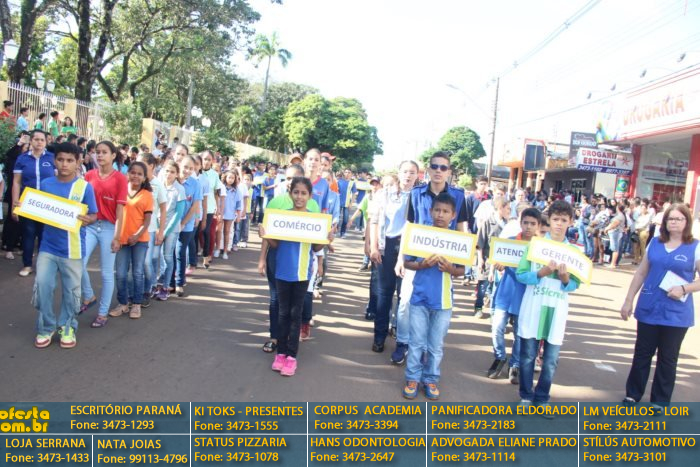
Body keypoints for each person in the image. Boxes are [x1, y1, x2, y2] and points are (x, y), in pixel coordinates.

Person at [620, 203, 698, 408]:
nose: (674, 222)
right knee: (642, 353)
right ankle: (632, 394)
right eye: (670, 219)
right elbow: (641, 273)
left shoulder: (695, 247)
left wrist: (684, 288)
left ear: (687, 222)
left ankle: (660, 401)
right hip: (649, 307)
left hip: (676, 313)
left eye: (679, 219)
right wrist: (628, 300)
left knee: (668, 358)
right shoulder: (655, 243)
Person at [393, 152, 467, 364]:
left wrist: (461, 261)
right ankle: (402, 342)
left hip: (443, 260)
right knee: (406, 302)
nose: (438, 171)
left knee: (436, 306)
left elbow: (462, 229)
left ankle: (424, 348)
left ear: (449, 171)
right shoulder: (416, 194)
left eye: (443, 167)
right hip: (417, 257)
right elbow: (408, 227)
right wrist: (401, 258)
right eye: (435, 166)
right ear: (428, 169)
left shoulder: (458, 196)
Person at [260, 177, 329, 377]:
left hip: (302, 273)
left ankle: (291, 356)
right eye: (296, 192)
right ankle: (281, 353)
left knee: (295, 314)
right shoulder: (282, 216)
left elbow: (316, 247)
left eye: (303, 193)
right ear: (290, 194)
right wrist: (266, 235)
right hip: (282, 270)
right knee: (283, 313)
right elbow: (275, 244)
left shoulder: (314, 219)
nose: (299, 196)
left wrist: (326, 240)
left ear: (310, 196)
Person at [516, 200, 580, 414]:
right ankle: (526, 395)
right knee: (527, 355)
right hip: (534, 305)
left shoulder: (574, 252)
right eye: (555, 219)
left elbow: (575, 284)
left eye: (563, 220)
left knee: (551, 360)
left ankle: (542, 397)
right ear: (549, 221)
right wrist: (540, 273)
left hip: (556, 309)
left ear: (570, 222)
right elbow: (521, 275)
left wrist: (565, 279)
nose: (559, 224)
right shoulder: (535, 245)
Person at [32, 143, 98, 349]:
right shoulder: (46, 184)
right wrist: (24, 207)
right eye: (60, 159)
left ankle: (67, 327)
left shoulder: (84, 187)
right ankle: (46, 326)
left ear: (78, 162)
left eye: (70, 160)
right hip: (48, 246)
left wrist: (88, 219)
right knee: (43, 286)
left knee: (71, 292)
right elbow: (37, 209)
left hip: (73, 248)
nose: (64, 164)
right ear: (54, 160)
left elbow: (94, 215)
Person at [401, 193, 465, 400]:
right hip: (419, 298)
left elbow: (462, 270)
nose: (440, 215)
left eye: (445, 211)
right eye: (437, 210)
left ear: (453, 215)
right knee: (416, 342)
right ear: (430, 211)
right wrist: (422, 265)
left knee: (435, 346)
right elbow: (407, 262)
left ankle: (430, 379)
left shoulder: (458, 240)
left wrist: (450, 269)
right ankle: (412, 378)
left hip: (443, 302)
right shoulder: (420, 235)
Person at [257, 164, 320, 354]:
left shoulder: (313, 206)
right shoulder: (275, 203)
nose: (292, 182)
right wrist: (262, 259)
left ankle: (290, 344)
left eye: (296, 177)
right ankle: (275, 337)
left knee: (294, 306)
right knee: (275, 299)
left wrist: (321, 257)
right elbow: (268, 235)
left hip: (300, 262)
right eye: (289, 178)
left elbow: (317, 241)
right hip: (277, 257)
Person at [369, 160, 419, 353]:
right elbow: (374, 221)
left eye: (412, 172)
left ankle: (401, 335)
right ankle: (379, 336)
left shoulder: (419, 195)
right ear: (399, 173)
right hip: (387, 245)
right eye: (405, 171)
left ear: (417, 175)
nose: (408, 175)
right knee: (384, 292)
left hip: (410, 248)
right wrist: (374, 246)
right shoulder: (384, 194)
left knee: (405, 296)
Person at [488, 207, 541, 383]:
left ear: (538, 225)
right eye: (525, 223)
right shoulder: (510, 242)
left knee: (519, 333)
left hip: (526, 295)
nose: (528, 227)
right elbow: (495, 259)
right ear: (520, 223)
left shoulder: (540, 248)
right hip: (506, 291)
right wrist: (498, 265)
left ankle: (515, 364)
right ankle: (500, 356)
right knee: (497, 327)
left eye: (532, 223)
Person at [80, 141, 127, 327]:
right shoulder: (89, 175)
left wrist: (117, 236)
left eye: (104, 152)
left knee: (107, 273)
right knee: (78, 263)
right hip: (89, 226)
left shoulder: (120, 179)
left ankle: (102, 313)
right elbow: (81, 201)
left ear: (113, 155)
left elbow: (120, 211)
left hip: (109, 227)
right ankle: (89, 295)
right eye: (97, 152)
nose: (100, 155)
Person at [109, 162, 153, 320]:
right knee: (121, 273)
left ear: (144, 178)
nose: (135, 176)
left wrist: (136, 235)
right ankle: (123, 303)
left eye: (139, 174)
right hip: (122, 239)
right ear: (127, 174)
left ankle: (136, 303)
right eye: (133, 172)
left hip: (139, 240)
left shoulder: (147, 195)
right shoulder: (121, 191)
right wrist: (115, 236)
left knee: (137, 272)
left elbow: (147, 220)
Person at [12, 130, 56, 277]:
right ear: (31, 141)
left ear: (46, 142)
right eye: (36, 139)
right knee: (28, 234)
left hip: (47, 203)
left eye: (42, 140)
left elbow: (58, 181)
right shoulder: (22, 159)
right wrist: (15, 204)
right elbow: (16, 182)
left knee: (45, 235)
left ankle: (44, 266)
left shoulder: (52, 158)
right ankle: (27, 265)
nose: (39, 142)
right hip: (28, 202)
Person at [136, 153, 167, 306]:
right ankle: (135, 293)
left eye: (142, 163)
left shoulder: (157, 184)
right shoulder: (135, 181)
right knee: (135, 264)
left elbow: (163, 208)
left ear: (151, 166)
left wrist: (161, 231)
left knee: (147, 262)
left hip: (150, 229)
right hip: (133, 228)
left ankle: (148, 289)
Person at [154, 160, 185, 301]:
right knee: (154, 257)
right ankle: (154, 285)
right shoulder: (158, 185)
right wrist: (157, 228)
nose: (169, 174)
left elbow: (178, 213)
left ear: (177, 174)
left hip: (171, 229)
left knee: (167, 257)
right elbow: (154, 208)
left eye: (172, 172)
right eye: (167, 171)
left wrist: (165, 232)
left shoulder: (179, 189)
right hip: (157, 226)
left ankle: (165, 287)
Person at [474, 197, 510, 319]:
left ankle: (493, 312)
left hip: (500, 262)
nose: (509, 211)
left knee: (496, 287)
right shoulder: (487, 222)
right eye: (507, 208)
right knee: (482, 286)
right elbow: (480, 242)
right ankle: (478, 308)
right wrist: (480, 259)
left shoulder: (507, 224)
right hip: (487, 259)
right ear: (500, 208)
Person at [174, 156, 202, 297]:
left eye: (191, 168)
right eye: (185, 167)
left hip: (187, 224)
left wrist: (183, 223)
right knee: (168, 253)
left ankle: (179, 282)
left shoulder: (195, 184)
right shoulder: (172, 179)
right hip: (170, 224)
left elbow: (195, 206)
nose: (188, 171)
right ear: (179, 164)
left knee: (180, 252)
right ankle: (168, 281)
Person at [221, 171, 243, 258]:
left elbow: (239, 204)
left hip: (230, 214)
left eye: (233, 178)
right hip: (220, 213)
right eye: (229, 177)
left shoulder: (236, 190)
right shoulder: (221, 187)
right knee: (218, 231)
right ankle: (218, 248)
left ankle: (225, 251)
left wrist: (238, 215)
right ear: (225, 177)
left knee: (227, 232)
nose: (231, 179)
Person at [603, 203, 627, 269]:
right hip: (615, 232)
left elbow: (614, 224)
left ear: (617, 208)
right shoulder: (620, 215)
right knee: (614, 248)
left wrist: (607, 228)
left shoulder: (620, 216)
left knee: (615, 248)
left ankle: (613, 264)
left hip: (616, 232)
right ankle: (612, 263)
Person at [337, 168, 356, 238]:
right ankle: (335, 231)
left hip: (347, 203)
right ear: (344, 173)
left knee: (345, 219)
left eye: (349, 172)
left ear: (351, 174)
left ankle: (342, 233)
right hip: (338, 202)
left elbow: (354, 193)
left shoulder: (352, 183)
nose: (347, 174)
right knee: (336, 218)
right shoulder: (339, 181)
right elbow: (336, 191)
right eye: (346, 172)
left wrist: (351, 203)